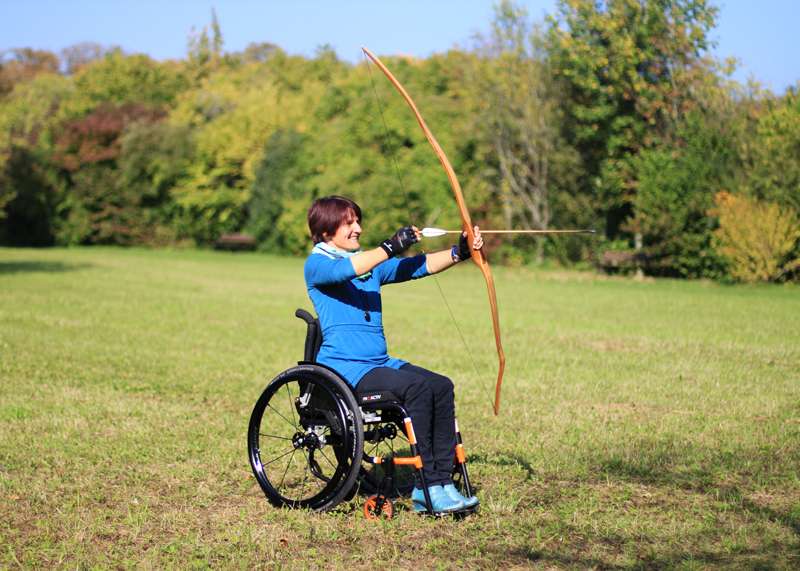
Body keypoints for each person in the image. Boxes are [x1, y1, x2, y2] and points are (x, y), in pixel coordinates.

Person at [304, 195, 481, 513]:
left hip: (380, 363)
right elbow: (345, 271)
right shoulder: (317, 265)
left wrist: (460, 252)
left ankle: (441, 483)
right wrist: (390, 245)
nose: (358, 228)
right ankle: (427, 486)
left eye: (358, 221)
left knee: (441, 386)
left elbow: (414, 267)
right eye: (349, 223)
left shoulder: (368, 267)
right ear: (327, 230)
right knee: (417, 388)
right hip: (346, 371)